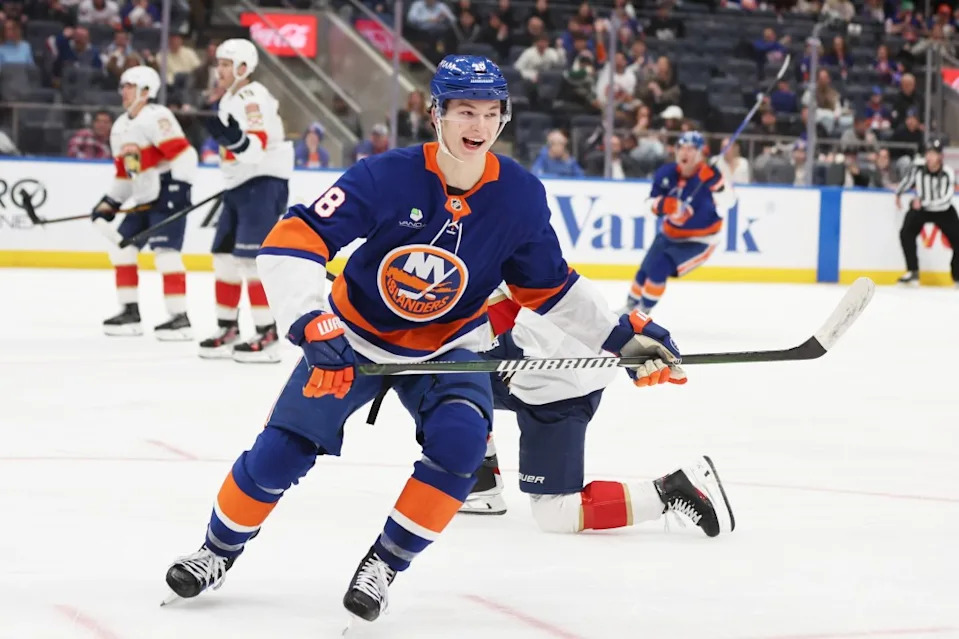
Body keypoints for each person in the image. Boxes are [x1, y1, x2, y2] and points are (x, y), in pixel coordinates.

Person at [162, 55, 688, 624]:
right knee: (279, 453)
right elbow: (294, 239)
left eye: (491, 113)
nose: (478, 126)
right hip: (354, 339)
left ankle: (384, 565)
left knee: (462, 448)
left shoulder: (519, 196)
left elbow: (549, 287)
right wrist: (311, 321)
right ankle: (216, 551)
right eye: (465, 110)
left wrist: (619, 336)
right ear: (435, 113)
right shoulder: (385, 175)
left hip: (450, 348)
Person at [460, 288, 735, 541]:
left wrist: (621, 337)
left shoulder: (494, 240)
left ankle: (671, 490)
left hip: (558, 386)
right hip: (519, 375)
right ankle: (477, 478)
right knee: (439, 385)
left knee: (556, 512)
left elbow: (559, 298)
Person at [199, 39, 294, 363]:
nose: (220, 70)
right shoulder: (230, 97)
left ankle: (267, 334)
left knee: (253, 262)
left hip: (262, 184)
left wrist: (233, 139)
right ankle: (228, 327)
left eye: (227, 64)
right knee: (224, 257)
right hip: (241, 184)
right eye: (219, 63)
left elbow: (256, 148)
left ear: (243, 68)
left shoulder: (252, 98)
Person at [91, 65, 197, 339]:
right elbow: (126, 175)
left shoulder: (158, 116)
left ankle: (179, 317)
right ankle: (130, 312)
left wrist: (178, 190)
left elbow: (184, 156)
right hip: (143, 197)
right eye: (123, 86)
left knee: (166, 255)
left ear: (146, 91)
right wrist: (109, 203)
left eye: (129, 86)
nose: (124, 91)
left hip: (167, 195)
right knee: (123, 250)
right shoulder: (120, 127)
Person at [619, 131, 735, 313]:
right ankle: (629, 307)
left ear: (700, 153)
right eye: (681, 147)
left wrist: (718, 185)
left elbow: (729, 203)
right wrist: (662, 205)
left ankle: (642, 313)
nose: (684, 153)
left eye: (691, 149)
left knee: (660, 267)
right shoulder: (666, 173)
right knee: (645, 269)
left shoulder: (710, 176)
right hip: (669, 233)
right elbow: (647, 208)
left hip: (700, 240)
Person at [894, 136, 959, 287]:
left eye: (933, 153)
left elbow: (945, 200)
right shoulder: (918, 167)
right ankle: (913, 272)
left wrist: (922, 203)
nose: (929, 156)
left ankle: (957, 276)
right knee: (906, 233)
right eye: (928, 153)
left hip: (942, 210)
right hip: (922, 209)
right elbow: (908, 181)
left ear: (940, 157)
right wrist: (898, 193)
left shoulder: (948, 173)